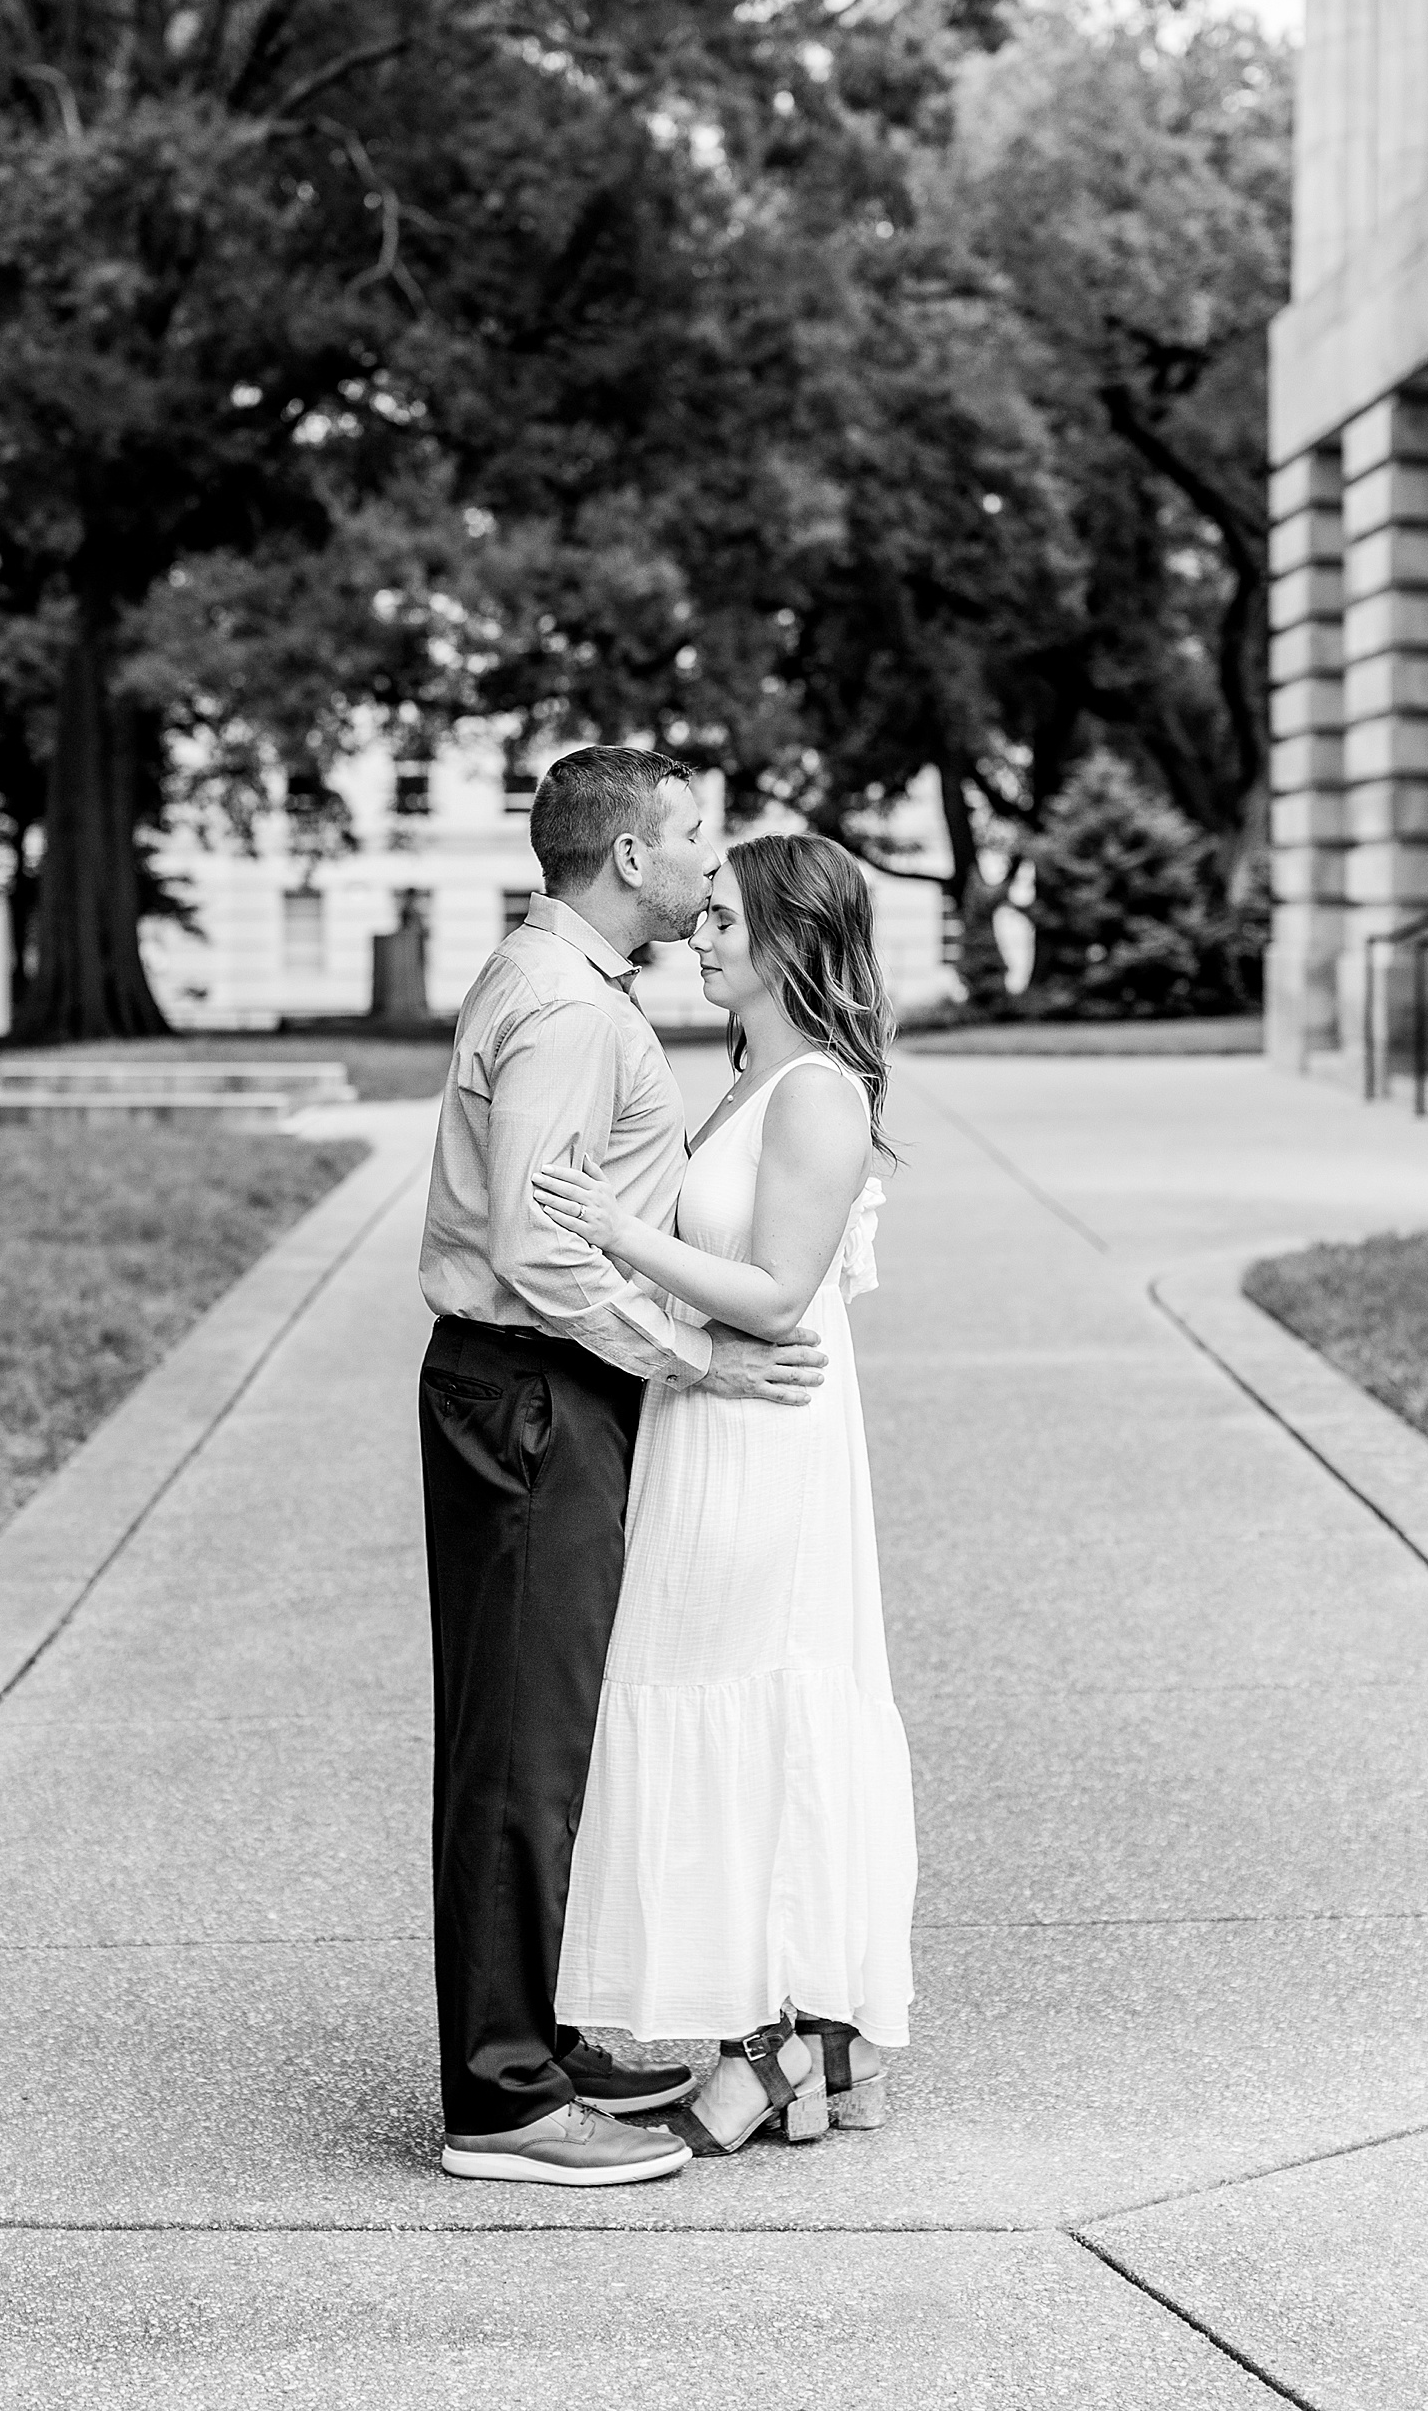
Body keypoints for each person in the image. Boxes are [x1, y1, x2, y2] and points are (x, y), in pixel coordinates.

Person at [416, 748, 831, 2187]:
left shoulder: (553, 985)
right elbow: (539, 1248)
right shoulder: (568, 1013)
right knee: (519, 1745)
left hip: (527, 1389)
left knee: (533, 1728)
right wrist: (696, 1360)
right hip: (533, 1388)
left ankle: (531, 2037)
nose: (712, 869)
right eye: (695, 842)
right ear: (629, 857)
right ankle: (506, 2099)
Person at [541, 833, 918, 2154]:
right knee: (710, 1691)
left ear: (788, 938)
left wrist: (613, 1227)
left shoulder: (817, 1090)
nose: (697, 935)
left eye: (723, 921)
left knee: (760, 1697)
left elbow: (775, 1289)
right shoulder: (751, 1078)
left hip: (770, 1434)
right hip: (709, 1419)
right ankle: (791, 2040)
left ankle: (776, 2042)